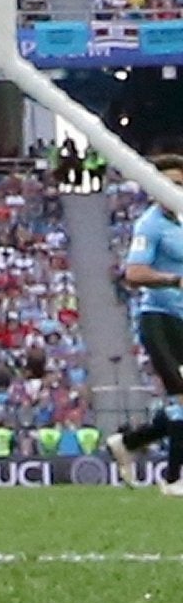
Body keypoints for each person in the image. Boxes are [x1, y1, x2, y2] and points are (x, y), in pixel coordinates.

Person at [107, 154, 183, 493]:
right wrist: (173, 279)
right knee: (182, 398)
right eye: (166, 184)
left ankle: (128, 442)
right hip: (159, 320)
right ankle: (174, 479)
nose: (172, 190)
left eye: (178, 185)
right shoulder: (149, 225)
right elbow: (134, 273)